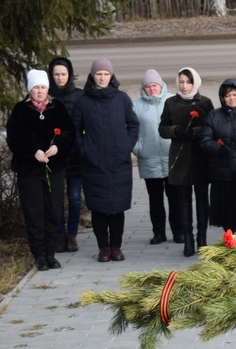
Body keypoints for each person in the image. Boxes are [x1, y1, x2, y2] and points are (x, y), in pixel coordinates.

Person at [70, 58, 138, 263]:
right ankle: (103, 248)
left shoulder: (122, 99)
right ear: (92, 76)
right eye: (98, 73)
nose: (102, 77)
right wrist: (85, 149)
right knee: (99, 208)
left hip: (119, 163)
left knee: (117, 208)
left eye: (105, 73)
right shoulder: (83, 101)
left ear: (111, 76)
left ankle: (116, 247)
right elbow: (75, 130)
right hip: (94, 163)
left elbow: (133, 125)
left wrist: (127, 145)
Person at [6, 70, 74, 270]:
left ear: (47, 89)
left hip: (54, 169)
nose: (39, 91)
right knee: (34, 212)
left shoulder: (57, 108)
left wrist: (58, 146)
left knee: (53, 211)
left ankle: (51, 253)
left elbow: (70, 134)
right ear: (29, 90)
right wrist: (32, 151)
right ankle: (39, 255)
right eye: (36, 87)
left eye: (43, 87)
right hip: (29, 171)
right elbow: (14, 139)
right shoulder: (20, 110)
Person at [159, 67, 214, 257]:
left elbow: (212, 127)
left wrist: (196, 132)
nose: (184, 86)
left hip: (200, 156)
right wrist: (176, 131)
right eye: (181, 81)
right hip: (180, 158)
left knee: (201, 199)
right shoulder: (170, 103)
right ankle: (187, 239)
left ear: (195, 83)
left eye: (188, 82)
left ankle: (202, 238)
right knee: (183, 200)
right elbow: (162, 128)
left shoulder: (205, 103)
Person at [202, 79, 236, 234]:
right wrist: (219, 149)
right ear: (222, 97)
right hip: (221, 173)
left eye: (235, 95)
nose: (232, 98)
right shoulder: (214, 116)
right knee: (225, 214)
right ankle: (229, 240)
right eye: (228, 95)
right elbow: (205, 140)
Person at [131, 71, 174, 244]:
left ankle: (178, 232)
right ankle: (159, 233)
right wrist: (137, 148)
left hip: (171, 158)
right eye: (148, 87)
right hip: (148, 159)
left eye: (154, 85)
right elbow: (132, 129)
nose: (151, 89)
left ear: (161, 85)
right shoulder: (136, 105)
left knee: (175, 198)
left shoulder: (171, 100)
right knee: (155, 200)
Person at [47, 57, 83, 253]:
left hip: (76, 155)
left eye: (63, 74)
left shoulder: (79, 96)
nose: (60, 78)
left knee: (75, 197)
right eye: (56, 75)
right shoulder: (47, 95)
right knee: (56, 197)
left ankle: (72, 235)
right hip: (55, 157)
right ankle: (60, 235)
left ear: (69, 75)